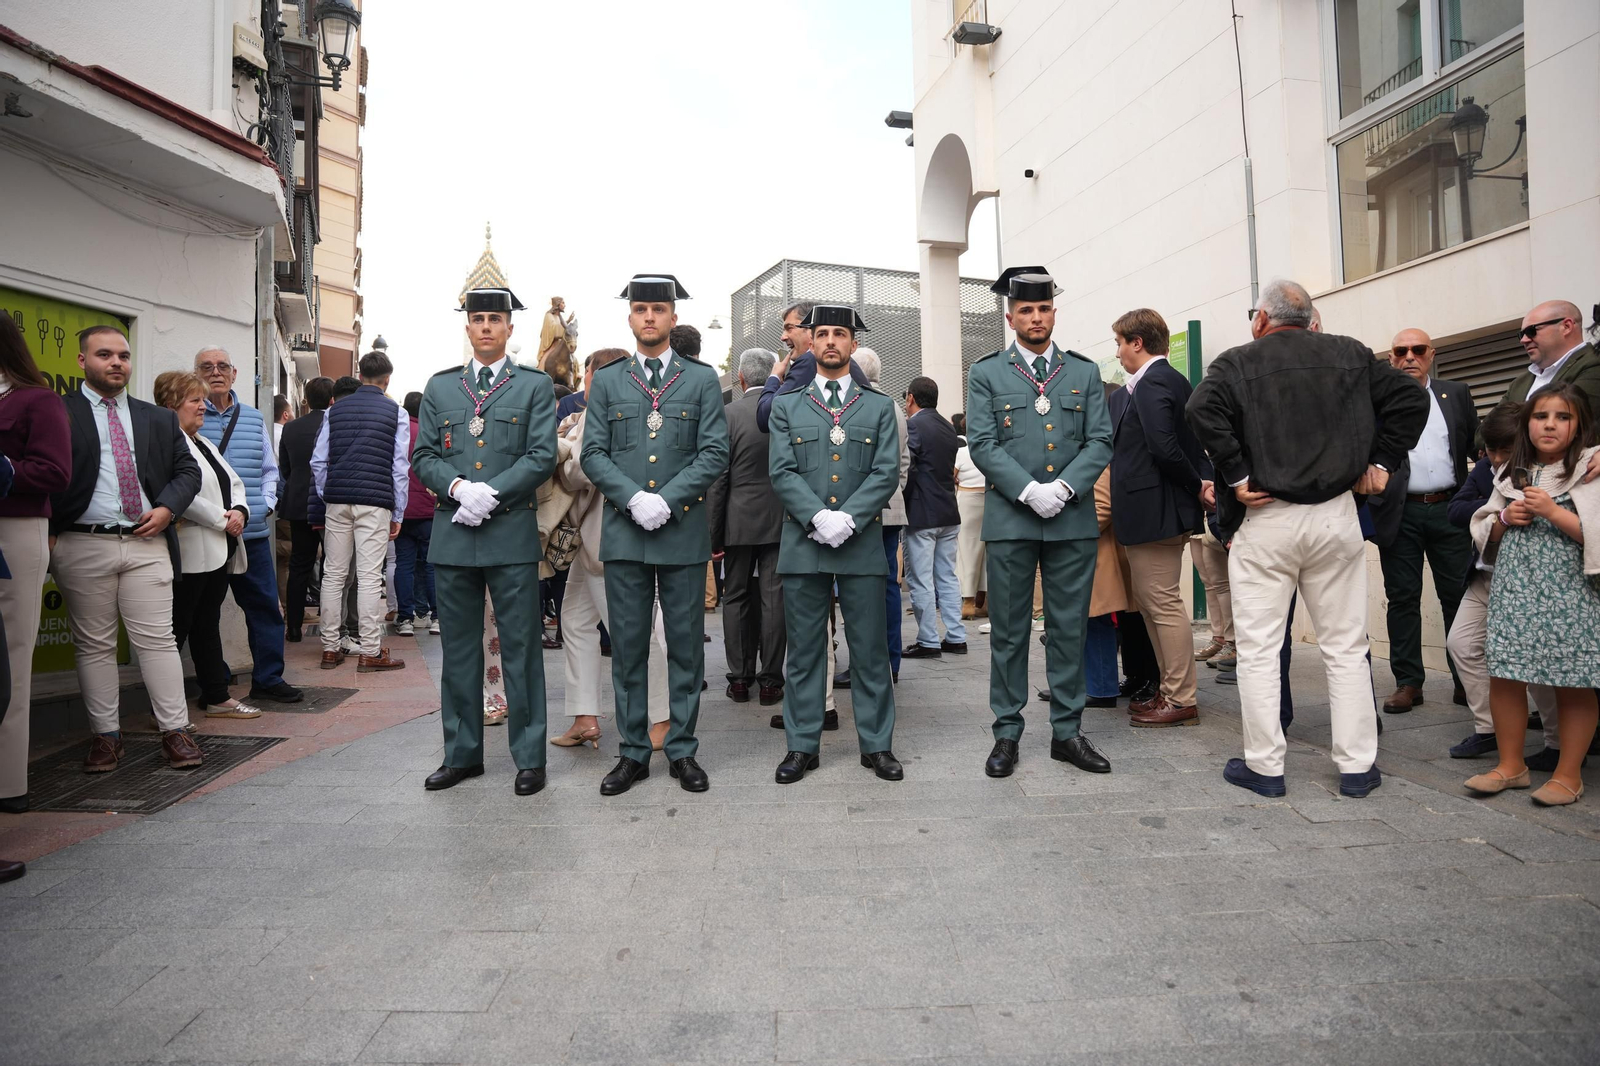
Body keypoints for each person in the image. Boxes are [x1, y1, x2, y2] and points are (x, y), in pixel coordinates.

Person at [1186, 278, 1428, 799]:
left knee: (1258, 649)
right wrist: (1382, 462)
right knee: (1345, 646)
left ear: (1261, 320)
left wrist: (1236, 472)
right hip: (1335, 514)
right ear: (1311, 319)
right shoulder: (1350, 354)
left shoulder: (1236, 361)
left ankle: (1266, 767)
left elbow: (1199, 410)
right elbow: (1411, 398)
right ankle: (1358, 767)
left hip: (1268, 518)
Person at [580, 274, 729, 796]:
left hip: (682, 531)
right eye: (640, 309)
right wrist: (632, 498)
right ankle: (633, 752)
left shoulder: (701, 379)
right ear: (630, 318)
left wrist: (666, 500)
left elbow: (714, 451)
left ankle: (683, 749)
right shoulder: (611, 380)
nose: (649, 317)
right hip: (625, 532)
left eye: (658, 310)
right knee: (628, 647)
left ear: (672, 318)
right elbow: (592, 452)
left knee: (686, 645)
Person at [967, 267, 1113, 778]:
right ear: (1011, 318)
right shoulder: (986, 373)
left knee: (1068, 628)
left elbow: (1100, 440)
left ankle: (1067, 733)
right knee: (1009, 632)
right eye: (1026, 310)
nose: (1036, 317)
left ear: (1054, 313)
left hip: (1070, 519)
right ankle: (1007, 732)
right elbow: (982, 444)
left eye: (1043, 309)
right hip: (1011, 519)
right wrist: (1030, 490)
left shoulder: (1083, 371)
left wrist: (1066, 488)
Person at [412, 287, 557, 796]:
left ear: (510, 328)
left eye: (496, 319)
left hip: (509, 531)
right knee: (458, 651)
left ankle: (529, 758)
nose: (488, 327)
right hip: (454, 535)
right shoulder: (441, 386)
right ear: (468, 328)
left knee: (521, 649)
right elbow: (425, 454)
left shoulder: (533, 386)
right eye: (479, 320)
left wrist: (490, 493)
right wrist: (455, 487)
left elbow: (542, 455)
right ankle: (462, 754)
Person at [51, 325, 202, 771]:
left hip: (146, 541)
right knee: (93, 645)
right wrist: (50, 529)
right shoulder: (58, 412)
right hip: (82, 542)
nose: (116, 363)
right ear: (82, 361)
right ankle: (106, 737)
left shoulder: (156, 417)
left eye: (123, 355)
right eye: (104, 355)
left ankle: (175, 732)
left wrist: (167, 509)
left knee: (157, 641)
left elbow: (187, 473)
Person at [767, 305, 903, 783]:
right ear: (811, 341)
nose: (829, 342)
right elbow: (781, 470)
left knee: (869, 650)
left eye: (839, 334)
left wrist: (848, 517)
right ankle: (803, 745)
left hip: (860, 541)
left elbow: (887, 471)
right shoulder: (787, 405)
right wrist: (818, 516)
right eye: (821, 333)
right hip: (805, 543)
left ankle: (877, 745)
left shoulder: (880, 406)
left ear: (852, 344)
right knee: (805, 651)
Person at [1466, 385, 1600, 806]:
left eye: (1563, 417)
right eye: (1542, 415)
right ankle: (1512, 767)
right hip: (1516, 589)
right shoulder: (1508, 473)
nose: (1550, 424)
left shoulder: (1590, 470)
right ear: (1528, 423)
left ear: (1579, 426)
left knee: (1572, 681)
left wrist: (1555, 513)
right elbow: (1485, 526)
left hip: (1571, 593)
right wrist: (1505, 517)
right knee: (1505, 675)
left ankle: (1568, 775)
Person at [553, 348, 670, 748]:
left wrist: (562, 451)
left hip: (604, 535)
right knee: (575, 621)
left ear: (593, 377)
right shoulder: (638, 405)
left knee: (631, 632)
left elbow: (578, 469)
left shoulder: (598, 411)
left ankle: (661, 717)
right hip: (599, 536)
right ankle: (584, 715)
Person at [1364, 328, 1479, 713]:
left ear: (1431, 354)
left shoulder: (1457, 394)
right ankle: (1409, 682)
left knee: (1459, 596)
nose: (1409, 356)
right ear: (1392, 357)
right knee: (1402, 598)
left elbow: (1475, 447)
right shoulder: (1377, 400)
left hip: (1450, 509)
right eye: (1401, 350)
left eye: (1417, 350)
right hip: (1400, 511)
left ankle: (1466, 680)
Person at [1108, 308, 1210, 728]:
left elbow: (1165, 448)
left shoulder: (1153, 382)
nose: (1117, 352)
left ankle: (1180, 697)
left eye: (1119, 343)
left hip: (1155, 513)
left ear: (1137, 342)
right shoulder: (1161, 381)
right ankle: (1170, 691)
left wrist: (1196, 485)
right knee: (1153, 605)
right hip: (1153, 512)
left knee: (1162, 605)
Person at [1445, 401, 1561, 761]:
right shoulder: (1485, 469)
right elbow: (1457, 509)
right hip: (1485, 578)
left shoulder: (1553, 471)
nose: (1495, 458)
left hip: (1529, 585)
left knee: (1535, 662)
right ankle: (1489, 729)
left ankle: (1557, 744)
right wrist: (1498, 512)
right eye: (1489, 450)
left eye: (1504, 450)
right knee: (1461, 644)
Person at [193, 347, 301, 704]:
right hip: (206, 533)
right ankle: (216, 683)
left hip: (252, 534)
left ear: (235, 373)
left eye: (223, 366)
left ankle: (268, 679)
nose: (216, 372)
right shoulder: (186, 416)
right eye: (207, 367)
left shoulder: (255, 418)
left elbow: (270, 470)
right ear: (196, 374)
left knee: (265, 608)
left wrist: (266, 504)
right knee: (204, 615)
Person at [156, 371, 258, 720]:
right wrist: (222, 519)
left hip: (217, 549)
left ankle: (216, 695)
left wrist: (241, 511)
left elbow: (233, 481)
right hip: (191, 551)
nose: (203, 406)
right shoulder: (168, 442)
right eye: (195, 401)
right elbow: (182, 494)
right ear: (171, 406)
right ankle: (163, 708)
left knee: (206, 623)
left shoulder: (202, 442)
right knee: (177, 629)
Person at [0, 315, 70, 813]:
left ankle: (7, 782)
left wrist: (3, 469)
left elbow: (54, 472)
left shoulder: (35, 399)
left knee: (11, 655)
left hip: (13, 529)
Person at [311, 350, 409, 674]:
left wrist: (329, 492)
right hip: (375, 501)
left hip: (338, 500)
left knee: (333, 574)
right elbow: (399, 467)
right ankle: (370, 650)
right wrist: (399, 511)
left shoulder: (333, 411)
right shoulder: (397, 412)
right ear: (387, 379)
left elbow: (318, 461)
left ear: (361, 374)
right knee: (368, 576)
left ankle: (329, 648)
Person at [707, 347, 786, 706]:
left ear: (740, 379)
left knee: (735, 597)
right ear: (775, 374)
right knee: (774, 598)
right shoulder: (784, 411)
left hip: (737, 518)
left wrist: (714, 532)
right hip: (778, 517)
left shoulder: (727, 415)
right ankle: (770, 681)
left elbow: (719, 478)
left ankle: (740, 679)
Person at [834, 346, 911, 689]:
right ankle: (890, 662)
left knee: (858, 588)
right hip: (891, 508)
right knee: (888, 586)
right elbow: (903, 464)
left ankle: (865, 664)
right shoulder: (895, 405)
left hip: (861, 511)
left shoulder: (859, 404)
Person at [902, 376, 965, 658]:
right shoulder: (948, 427)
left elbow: (908, 467)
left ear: (911, 398)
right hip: (948, 510)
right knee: (947, 577)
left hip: (922, 512)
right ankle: (956, 636)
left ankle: (928, 640)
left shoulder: (914, 425)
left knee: (921, 579)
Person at [756, 302, 870, 434]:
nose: (783, 337)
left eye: (789, 328)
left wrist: (774, 377)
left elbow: (765, 417)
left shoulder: (810, 362)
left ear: (811, 331)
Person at [277, 376, 332, 643]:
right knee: (333, 564)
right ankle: (331, 619)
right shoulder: (334, 424)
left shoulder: (291, 428)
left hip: (298, 501)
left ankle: (294, 626)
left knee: (299, 564)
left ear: (306, 400)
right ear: (332, 399)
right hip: (328, 502)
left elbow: (284, 468)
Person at [1503, 300, 1600, 417]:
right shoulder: (1519, 383)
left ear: (1566, 326)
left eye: (1531, 331)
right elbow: (1485, 432)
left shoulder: (1594, 363)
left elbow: (1574, 422)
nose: (1523, 340)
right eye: (1521, 334)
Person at [393, 391, 436, 637]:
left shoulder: (398, 432)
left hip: (403, 510)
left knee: (404, 565)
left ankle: (406, 618)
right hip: (429, 510)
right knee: (431, 565)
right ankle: (436, 616)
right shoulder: (430, 433)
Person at [952, 412, 987, 620]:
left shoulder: (962, 453)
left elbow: (951, 476)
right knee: (986, 553)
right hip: (988, 500)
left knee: (966, 552)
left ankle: (967, 601)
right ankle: (983, 599)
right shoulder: (988, 450)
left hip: (966, 500)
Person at [539, 296, 577, 390]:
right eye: (563, 303)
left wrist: (568, 321)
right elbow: (553, 329)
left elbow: (563, 327)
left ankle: (575, 373)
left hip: (561, 342)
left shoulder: (559, 316)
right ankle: (541, 377)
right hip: (552, 344)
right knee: (544, 361)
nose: (564, 305)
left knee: (573, 358)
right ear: (557, 304)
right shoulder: (548, 315)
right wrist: (566, 326)